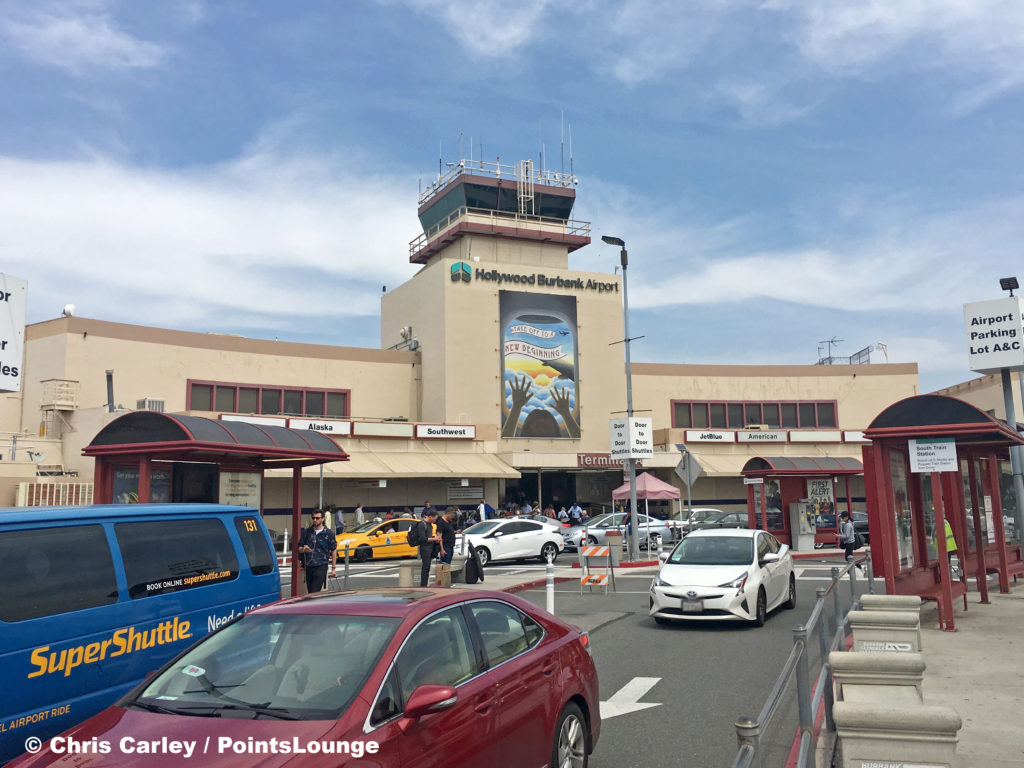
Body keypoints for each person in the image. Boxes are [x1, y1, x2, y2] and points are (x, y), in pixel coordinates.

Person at [298, 508, 336, 593]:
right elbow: (299, 548)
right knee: (310, 591)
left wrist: (333, 568)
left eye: (317, 518)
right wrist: (304, 549)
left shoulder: (329, 533)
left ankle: (311, 605)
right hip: (308, 566)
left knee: (314, 591)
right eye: (313, 518)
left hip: (321, 565)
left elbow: (333, 550)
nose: (315, 520)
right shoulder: (307, 532)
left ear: (323, 519)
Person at [415, 509, 441, 587]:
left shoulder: (430, 525)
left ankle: (425, 584)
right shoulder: (422, 524)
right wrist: (434, 539)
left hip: (430, 547)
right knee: (425, 568)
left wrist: (434, 538)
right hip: (425, 548)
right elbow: (423, 538)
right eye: (434, 518)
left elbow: (429, 537)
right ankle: (423, 585)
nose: (435, 520)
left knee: (428, 567)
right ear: (430, 517)